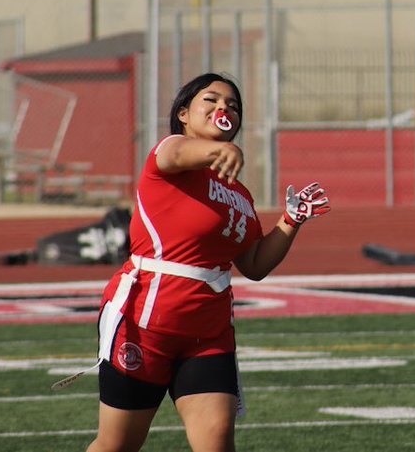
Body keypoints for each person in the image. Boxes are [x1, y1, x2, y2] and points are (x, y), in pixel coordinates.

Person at [83, 72, 330, 452]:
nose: (222, 108)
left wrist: (290, 219)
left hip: (209, 332)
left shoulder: (239, 194)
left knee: (217, 442)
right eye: (211, 101)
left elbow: (254, 264)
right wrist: (221, 151)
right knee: (118, 445)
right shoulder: (169, 155)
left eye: (231, 105)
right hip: (146, 320)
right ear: (184, 113)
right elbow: (178, 153)